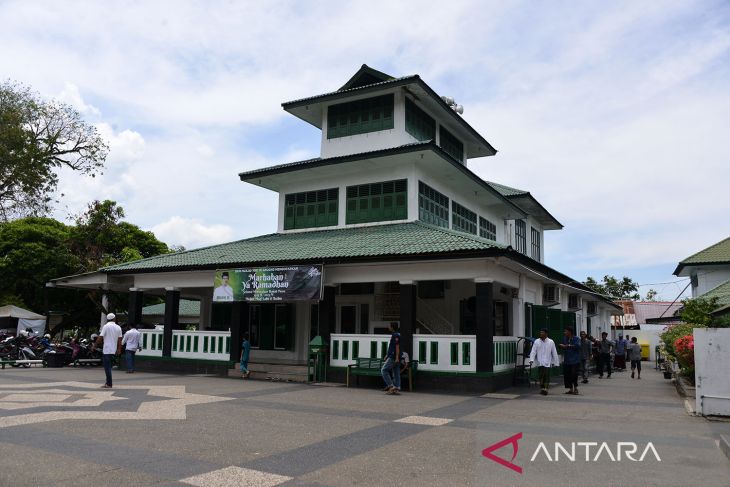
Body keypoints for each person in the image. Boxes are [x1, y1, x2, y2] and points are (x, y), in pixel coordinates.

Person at [93, 313, 122, 388]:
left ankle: (109, 384)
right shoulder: (118, 327)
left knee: (107, 368)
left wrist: (94, 346)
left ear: (108, 319)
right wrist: (119, 349)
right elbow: (120, 340)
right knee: (109, 367)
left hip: (107, 350)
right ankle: (107, 382)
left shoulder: (106, 326)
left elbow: (100, 337)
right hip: (114, 350)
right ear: (114, 319)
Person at [529, 329, 560, 395]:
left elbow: (554, 352)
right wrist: (531, 359)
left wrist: (556, 362)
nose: (541, 334)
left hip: (547, 362)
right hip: (540, 362)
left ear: (546, 334)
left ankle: (545, 389)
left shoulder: (551, 342)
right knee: (541, 376)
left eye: (542, 333)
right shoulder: (537, 341)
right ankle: (542, 388)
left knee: (546, 376)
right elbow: (533, 351)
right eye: (540, 333)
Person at [559, 327, 581, 395]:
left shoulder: (576, 338)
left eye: (565, 331)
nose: (564, 333)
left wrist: (567, 346)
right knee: (567, 375)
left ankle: (576, 388)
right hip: (567, 360)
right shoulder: (565, 338)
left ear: (570, 332)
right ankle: (570, 389)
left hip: (575, 360)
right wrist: (561, 345)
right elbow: (562, 344)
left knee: (574, 375)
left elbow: (578, 346)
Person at [381, 322, 401, 395]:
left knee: (383, 370)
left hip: (394, 356)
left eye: (389, 326)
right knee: (396, 372)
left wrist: (396, 357)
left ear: (392, 327)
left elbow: (397, 347)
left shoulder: (395, 335)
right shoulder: (396, 334)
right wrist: (387, 355)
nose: (388, 327)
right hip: (393, 355)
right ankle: (397, 387)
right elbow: (392, 346)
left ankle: (391, 386)